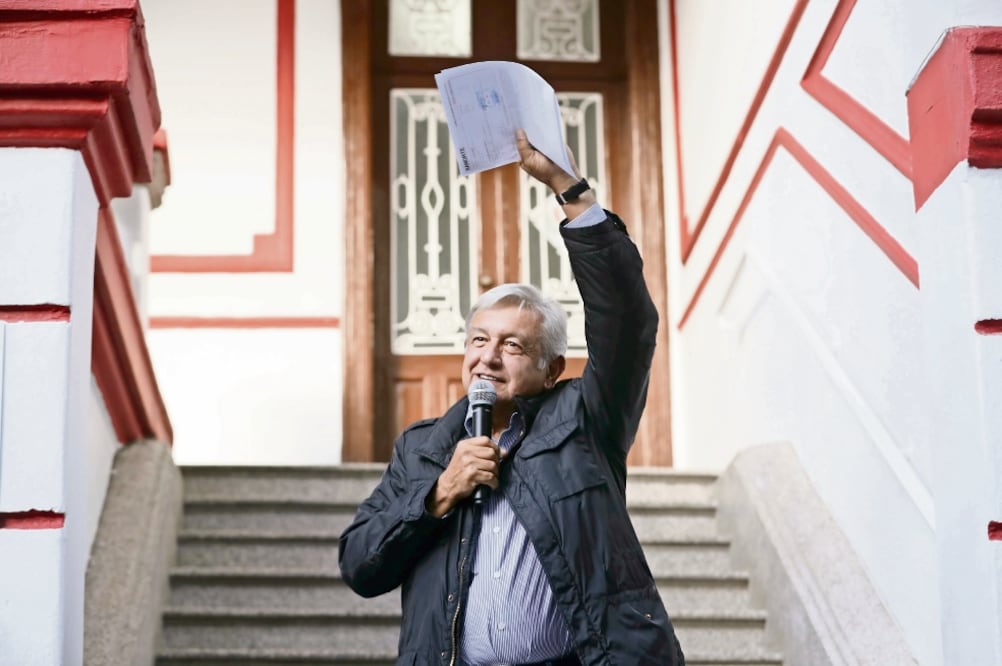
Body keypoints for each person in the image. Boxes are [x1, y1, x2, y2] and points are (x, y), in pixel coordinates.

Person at [339, 129, 684, 665]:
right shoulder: (423, 448)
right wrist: (438, 494)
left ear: (550, 371)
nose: (488, 357)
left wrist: (569, 190)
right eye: (478, 340)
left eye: (512, 345)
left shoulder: (585, 418)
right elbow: (360, 566)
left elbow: (628, 321)